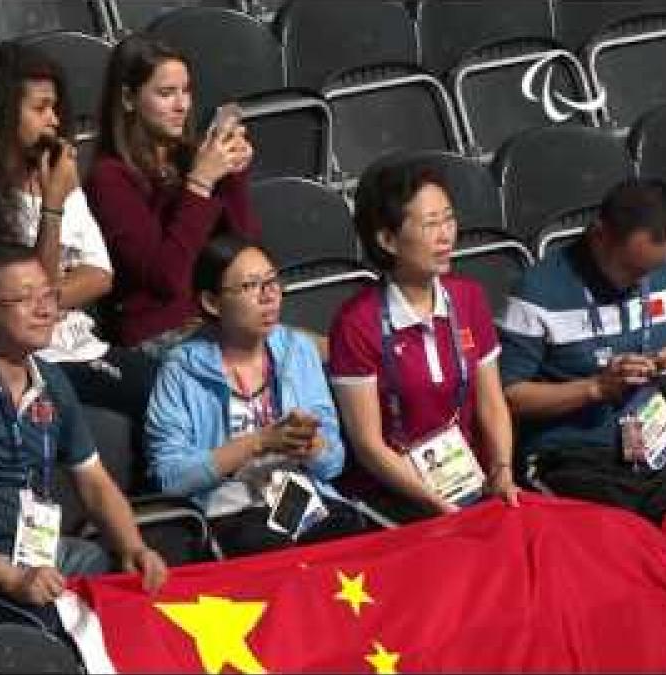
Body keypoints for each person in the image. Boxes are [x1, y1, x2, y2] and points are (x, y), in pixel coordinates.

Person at [0, 244, 167, 641]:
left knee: (125, 593)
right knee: (46, 624)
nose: (46, 311)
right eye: (25, 299)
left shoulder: (51, 381)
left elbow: (94, 482)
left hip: (31, 554)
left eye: (49, 296)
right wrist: (11, 579)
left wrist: (133, 547)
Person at [0, 43, 156, 424]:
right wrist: (52, 207)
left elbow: (100, 274)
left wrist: (48, 294)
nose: (53, 119)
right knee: (146, 392)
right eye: (39, 108)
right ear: (0, 113)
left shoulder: (60, 178)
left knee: (174, 386)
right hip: (36, 357)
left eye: (55, 108)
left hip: (82, 343)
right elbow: (31, 295)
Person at [498, 179, 666, 522]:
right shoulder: (538, 292)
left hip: (652, 451)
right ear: (599, 235)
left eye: (651, 270)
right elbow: (508, 395)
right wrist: (595, 388)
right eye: (631, 268)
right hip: (568, 457)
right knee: (616, 526)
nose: (641, 281)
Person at [146, 233, 366, 557]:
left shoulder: (298, 350)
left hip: (301, 500)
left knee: (353, 537)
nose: (269, 296)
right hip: (228, 508)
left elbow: (333, 463)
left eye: (272, 282)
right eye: (251, 286)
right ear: (212, 302)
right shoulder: (181, 369)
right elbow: (170, 477)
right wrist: (257, 443)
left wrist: (313, 445)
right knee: (270, 551)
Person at [328, 157, 519, 522]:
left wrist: (501, 469)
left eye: (449, 219)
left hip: (469, 482)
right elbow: (369, 446)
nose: (446, 235)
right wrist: (436, 504)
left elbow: (492, 403)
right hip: (391, 495)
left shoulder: (468, 298)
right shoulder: (356, 324)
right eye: (431, 224)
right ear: (387, 239)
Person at [86, 35, 259, 353]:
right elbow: (166, 277)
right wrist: (199, 185)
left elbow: (242, 250)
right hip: (159, 332)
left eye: (186, 91)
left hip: (218, 317)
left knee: (320, 353)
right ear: (128, 98)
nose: (182, 105)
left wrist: (233, 176)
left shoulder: (191, 158)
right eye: (166, 94)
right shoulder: (108, 178)